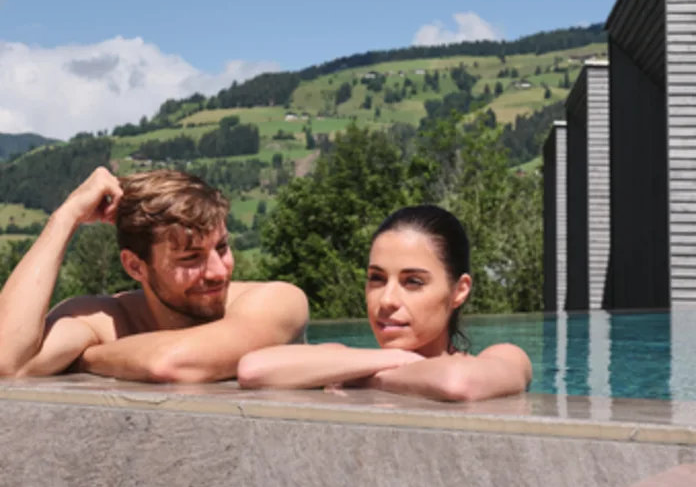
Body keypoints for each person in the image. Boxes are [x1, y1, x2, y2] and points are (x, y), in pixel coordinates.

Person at [0, 167, 308, 382]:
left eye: (223, 248)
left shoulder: (277, 300)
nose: (217, 272)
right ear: (135, 266)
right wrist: (65, 217)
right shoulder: (108, 318)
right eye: (191, 258)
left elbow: (172, 362)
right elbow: (6, 359)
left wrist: (88, 357)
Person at [237, 204, 532, 401]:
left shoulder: (504, 356)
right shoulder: (353, 359)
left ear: (459, 290)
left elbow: (457, 382)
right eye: (377, 278)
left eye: (413, 282)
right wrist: (392, 360)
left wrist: (368, 380)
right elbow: (253, 369)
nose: (387, 300)